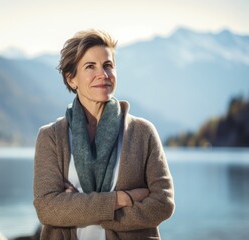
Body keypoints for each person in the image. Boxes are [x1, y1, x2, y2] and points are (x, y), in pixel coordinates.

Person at [33, 29, 175, 240]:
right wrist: (120, 198)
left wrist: (80, 207)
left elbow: (163, 203)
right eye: (90, 66)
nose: (103, 74)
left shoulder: (142, 132)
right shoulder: (51, 137)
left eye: (108, 65)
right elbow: (47, 208)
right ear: (72, 79)